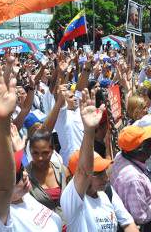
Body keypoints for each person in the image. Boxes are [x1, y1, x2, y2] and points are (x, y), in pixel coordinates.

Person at [0, 63, 62, 231]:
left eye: (21, 168)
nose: (24, 175)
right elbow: (3, 185)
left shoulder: (23, 195)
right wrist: (1, 121)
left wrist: (16, 149)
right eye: (14, 177)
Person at [60, 89, 139, 232]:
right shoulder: (73, 202)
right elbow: (84, 172)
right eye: (98, 173)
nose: (106, 177)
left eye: (104, 171)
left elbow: (128, 224)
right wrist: (89, 130)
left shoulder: (107, 192)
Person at [110, 125, 151, 228]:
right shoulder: (133, 180)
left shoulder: (121, 155)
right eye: (148, 143)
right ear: (139, 150)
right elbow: (140, 217)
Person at [26, 129, 69, 223]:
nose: (40, 158)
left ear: (53, 150)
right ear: (30, 151)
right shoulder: (25, 177)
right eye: (35, 153)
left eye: (45, 153)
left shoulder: (62, 171)